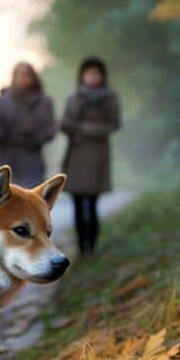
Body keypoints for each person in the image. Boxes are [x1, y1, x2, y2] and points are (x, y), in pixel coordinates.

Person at [60, 56, 120, 256]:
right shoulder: (74, 98)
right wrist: (69, 127)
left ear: (102, 76)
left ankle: (91, 247)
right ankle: (80, 246)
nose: (92, 77)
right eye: (88, 73)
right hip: (76, 154)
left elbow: (113, 124)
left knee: (92, 204)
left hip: (96, 155)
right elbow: (66, 122)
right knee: (77, 204)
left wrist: (85, 128)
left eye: (96, 73)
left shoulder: (109, 98)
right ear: (82, 75)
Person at [0, 62, 57, 189]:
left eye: (26, 75)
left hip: (33, 160)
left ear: (33, 77)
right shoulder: (3, 101)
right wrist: (3, 131)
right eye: (19, 75)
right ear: (13, 77)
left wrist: (33, 134)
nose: (23, 79)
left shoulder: (44, 102)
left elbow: (50, 130)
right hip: (8, 160)